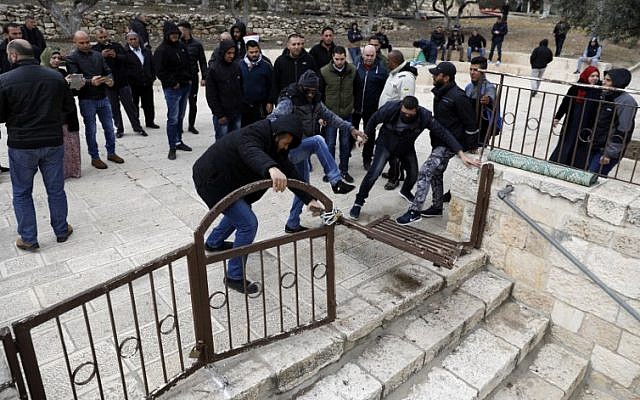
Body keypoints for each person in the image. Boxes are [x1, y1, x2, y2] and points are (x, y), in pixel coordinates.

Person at [192, 114, 324, 294]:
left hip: (228, 181)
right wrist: (271, 167)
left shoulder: (277, 145)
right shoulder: (256, 133)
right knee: (248, 223)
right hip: (212, 179)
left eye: (288, 146)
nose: (285, 147)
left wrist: (309, 199)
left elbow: (290, 171)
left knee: (242, 212)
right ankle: (234, 276)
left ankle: (214, 243)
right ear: (279, 133)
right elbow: (250, 149)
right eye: (284, 143)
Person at [0, 39, 75, 250]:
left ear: (14, 55)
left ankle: (28, 238)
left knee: (22, 192)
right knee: (56, 189)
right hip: (52, 141)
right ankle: (61, 230)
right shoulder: (55, 77)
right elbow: (68, 107)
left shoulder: (4, 80)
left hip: (22, 144)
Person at [268, 70, 364, 233]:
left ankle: (292, 224)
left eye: (314, 91)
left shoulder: (316, 101)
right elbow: (272, 119)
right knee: (318, 140)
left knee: (304, 187)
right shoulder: (290, 100)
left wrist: (352, 128)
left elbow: (331, 117)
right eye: (308, 91)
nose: (311, 94)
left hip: (301, 147)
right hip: (288, 149)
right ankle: (336, 181)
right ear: (301, 87)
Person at [417, 62, 479, 219]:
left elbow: (470, 122)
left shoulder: (458, 96)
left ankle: (414, 209)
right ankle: (437, 207)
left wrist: (470, 147)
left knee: (426, 170)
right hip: (438, 140)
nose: (433, 76)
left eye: (436, 74)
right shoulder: (440, 92)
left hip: (450, 143)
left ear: (446, 78)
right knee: (437, 173)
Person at [66, 30, 125, 169]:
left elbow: (107, 70)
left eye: (87, 42)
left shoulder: (98, 55)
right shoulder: (72, 58)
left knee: (109, 128)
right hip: (87, 99)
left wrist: (110, 79)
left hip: (103, 96)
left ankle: (111, 152)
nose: (86, 45)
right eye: (82, 43)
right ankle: (95, 156)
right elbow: (73, 81)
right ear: (75, 43)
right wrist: (89, 82)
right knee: (91, 130)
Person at [93, 28, 146, 138]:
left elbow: (127, 59)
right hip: (108, 84)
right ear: (96, 38)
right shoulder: (95, 50)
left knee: (130, 106)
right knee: (114, 108)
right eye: (101, 38)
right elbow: (93, 65)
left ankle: (137, 127)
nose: (103, 39)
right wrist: (100, 55)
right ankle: (119, 129)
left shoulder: (116, 46)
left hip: (122, 82)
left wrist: (116, 55)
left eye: (105, 37)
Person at [153, 21, 193, 160]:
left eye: (176, 33)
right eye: (172, 34)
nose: (175, 36)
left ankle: (178, 140)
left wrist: (189, 79)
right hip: (173, 89)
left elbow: (189, 63)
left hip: (185, 86)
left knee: (181, 116)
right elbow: (159, 71)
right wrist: (172, 83)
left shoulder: (182, 46)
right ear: (167, 35)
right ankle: (172, 146)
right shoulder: (161, 50)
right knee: (173, 118)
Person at [379, 50, 418, 190]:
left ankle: (394, 178)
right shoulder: (394, 73)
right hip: (388, 119)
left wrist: (399, 123)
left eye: (388, 61)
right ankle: (395, 172)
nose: (386, 63)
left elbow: (406, 102)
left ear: (394, 62)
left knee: (394, 151)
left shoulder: (406, 77)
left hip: (396, 122)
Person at [588, 68, 637, 175]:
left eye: (608, 80)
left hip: (608, 151)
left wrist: (609, 154)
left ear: (617, 82)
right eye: (604, 79)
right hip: (596, 145)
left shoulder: (626, 101)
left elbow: (623, 130)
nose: (603, 82)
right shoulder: (606, 96)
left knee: (592, 177)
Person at [550, 66, 601, 169]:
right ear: (586, 76)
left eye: (597, 76)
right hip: (573, 120)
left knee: (582, 143)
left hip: (588, 122)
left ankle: (576, 166)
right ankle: (559, 162)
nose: (595, 78)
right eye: (592, 76)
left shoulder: (599, 90)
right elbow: (566, 102)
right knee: (567, 141)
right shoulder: (576, 87)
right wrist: (557, 117)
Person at [320, 46, 357, 182]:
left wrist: (354, 107)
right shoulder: (324, 72)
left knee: (345, 143)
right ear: (332, 58)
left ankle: (344, 170)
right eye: (337, 59)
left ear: (345, 58)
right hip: (330, 115)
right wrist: (321, 115)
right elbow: (320, 94)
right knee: (329, 143)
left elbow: (356, 90)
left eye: (342, 59)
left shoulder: (352, 70)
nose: (339, 62)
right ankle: (330, 171)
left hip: (347, 113)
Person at [43, 49, 82, 179]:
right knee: (61, 145)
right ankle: (62, 173)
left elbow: (71, 93)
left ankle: (74, 170)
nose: (56, 60)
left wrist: (76, 84)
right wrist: (63, 82)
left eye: (59, 58)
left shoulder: (62, 72)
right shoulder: (44, 74)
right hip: (56, 115)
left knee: (72, 143)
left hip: (68, 112)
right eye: (53, 58)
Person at [353, 45, 388, 170]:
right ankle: (346, 156)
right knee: (350, 131)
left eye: (371, 55)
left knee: (369, 134)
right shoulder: (355, 67)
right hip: (355, 107)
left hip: (371, 109)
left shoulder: (382, 71)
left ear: (375, 55)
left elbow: (386, 91)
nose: (369, 58)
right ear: (362, 55)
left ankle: (367, 159)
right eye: (367, 55)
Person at [206, 39, 243, 139]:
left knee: (235, 141)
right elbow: (211, 95)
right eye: (228, 53)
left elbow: (241, 88)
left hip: (236, 113)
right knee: (222, 144)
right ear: (222, 52)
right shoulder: (213, 70)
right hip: (223, 115)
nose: (231, 56)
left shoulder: (236, 67)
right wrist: (219, 114)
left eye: (233, 53)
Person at [178, 21, 207, 135]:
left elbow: (202, 62)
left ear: (188, 30)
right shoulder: (177, 44)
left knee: (193, 102)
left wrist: (204, 76)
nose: (180, 33)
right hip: (181, 78)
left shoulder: (197, 45)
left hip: (193, 77)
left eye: (181, 30)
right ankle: (179, 125)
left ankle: (191, 125)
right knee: (180, 103)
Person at [124, 32, 158, 129]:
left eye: (135, 39)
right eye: (131, 39)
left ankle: (150, 121)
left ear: (138, 39)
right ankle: (136, 123)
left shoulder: (146, 51)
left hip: (146, 82)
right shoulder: (125, 53)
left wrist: (152, 77)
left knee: (149, 103)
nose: (133, 41)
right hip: (133, 83)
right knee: (134, 104)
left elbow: (152, 64)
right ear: (127, 41)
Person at [271, 33, 317, 103]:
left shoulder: (309, 59)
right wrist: (275, 100)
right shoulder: (280, 61)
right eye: (294, 44)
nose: (296, 47)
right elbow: (275, 82)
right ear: (288, 46)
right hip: (286, 101)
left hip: (305, 101)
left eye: (298, 44)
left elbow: (315, 78)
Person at [465, 56, 499, 148]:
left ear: (483, 71)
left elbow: (490, 98)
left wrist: (488, 100)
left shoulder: (489, 87)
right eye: (471, 69)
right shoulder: (468, 87)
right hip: (469, 126)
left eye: (475, 70)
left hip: (483, 127)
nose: (472, 72)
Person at [240, 40, 274, 127]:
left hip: (261, 107)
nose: (254, 54)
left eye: (256, 52)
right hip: (244, 106)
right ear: (246, 51)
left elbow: (272, 85)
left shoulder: (266, 66)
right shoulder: (239, 65)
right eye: (251, 52)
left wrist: (270, 102)